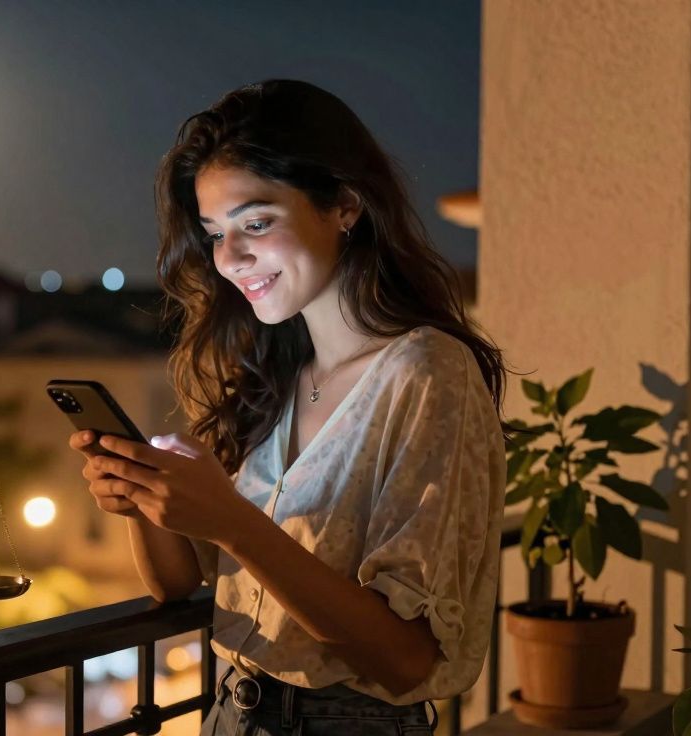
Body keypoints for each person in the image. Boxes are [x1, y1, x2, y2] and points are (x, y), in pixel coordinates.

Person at [69, 79, 511, 736]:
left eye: (257, 222)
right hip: (230, 713)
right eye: (215, 232)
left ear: (345, 206)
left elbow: (406, 660)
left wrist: (232, 523)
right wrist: (145, 500)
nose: (230, 258)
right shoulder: (274, 375)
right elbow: (178, 589)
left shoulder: (425, 373)